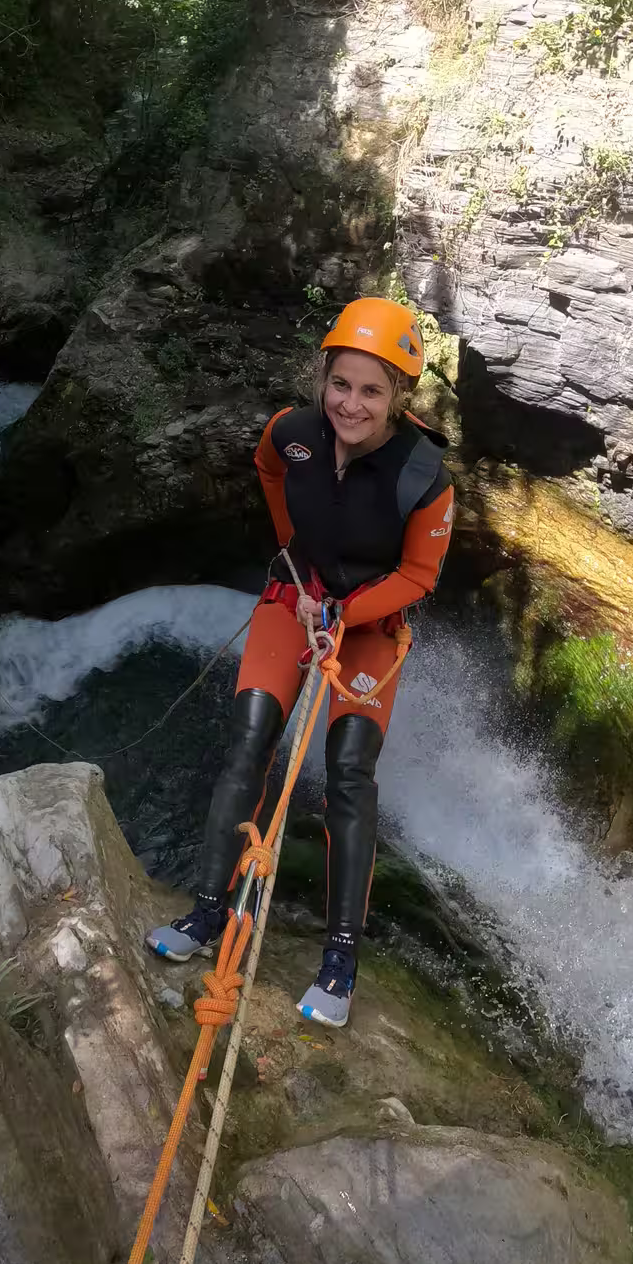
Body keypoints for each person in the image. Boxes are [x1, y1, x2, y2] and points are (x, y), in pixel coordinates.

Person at [146, 297, 455, 1029]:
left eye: (372, 391)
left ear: (400, 398)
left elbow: (420, 576)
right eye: (341, 384)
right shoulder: (291, 434)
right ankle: (207, 912)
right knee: (250, 739)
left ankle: (340, 956)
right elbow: (270, 474)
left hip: (370, 623)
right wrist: (298, 561)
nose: (352, 404)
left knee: (349, 773)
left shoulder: (424, 478)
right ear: (324, 380)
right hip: (296, 598)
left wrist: (345, 613)